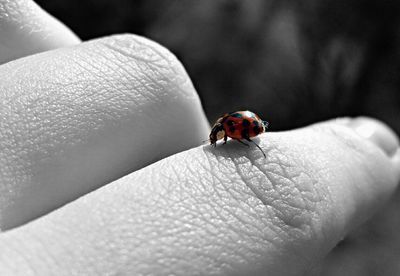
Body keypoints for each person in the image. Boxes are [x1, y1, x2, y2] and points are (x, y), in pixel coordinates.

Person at [0, 1, 399, 275]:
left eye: (221, 136)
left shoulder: (231, 129)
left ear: (225, 131)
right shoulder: (230, 127)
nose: (219, 140)